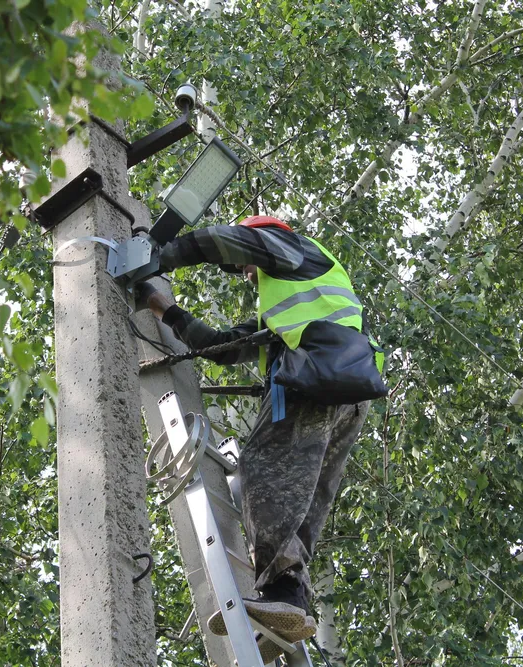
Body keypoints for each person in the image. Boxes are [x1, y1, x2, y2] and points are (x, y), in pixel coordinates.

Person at [136, 215, 386, 662]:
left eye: (246, 267)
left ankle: (280, 588)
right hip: (348, 393)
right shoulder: (293, 307)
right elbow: (224, 346)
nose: (247, 274)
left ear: (265, 234)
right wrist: (162, 308)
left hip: (312, 382)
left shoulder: (291, 248)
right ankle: (289, 600)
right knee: (306, 499)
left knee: (264, 472)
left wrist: (155, 258)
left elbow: (223, 240)